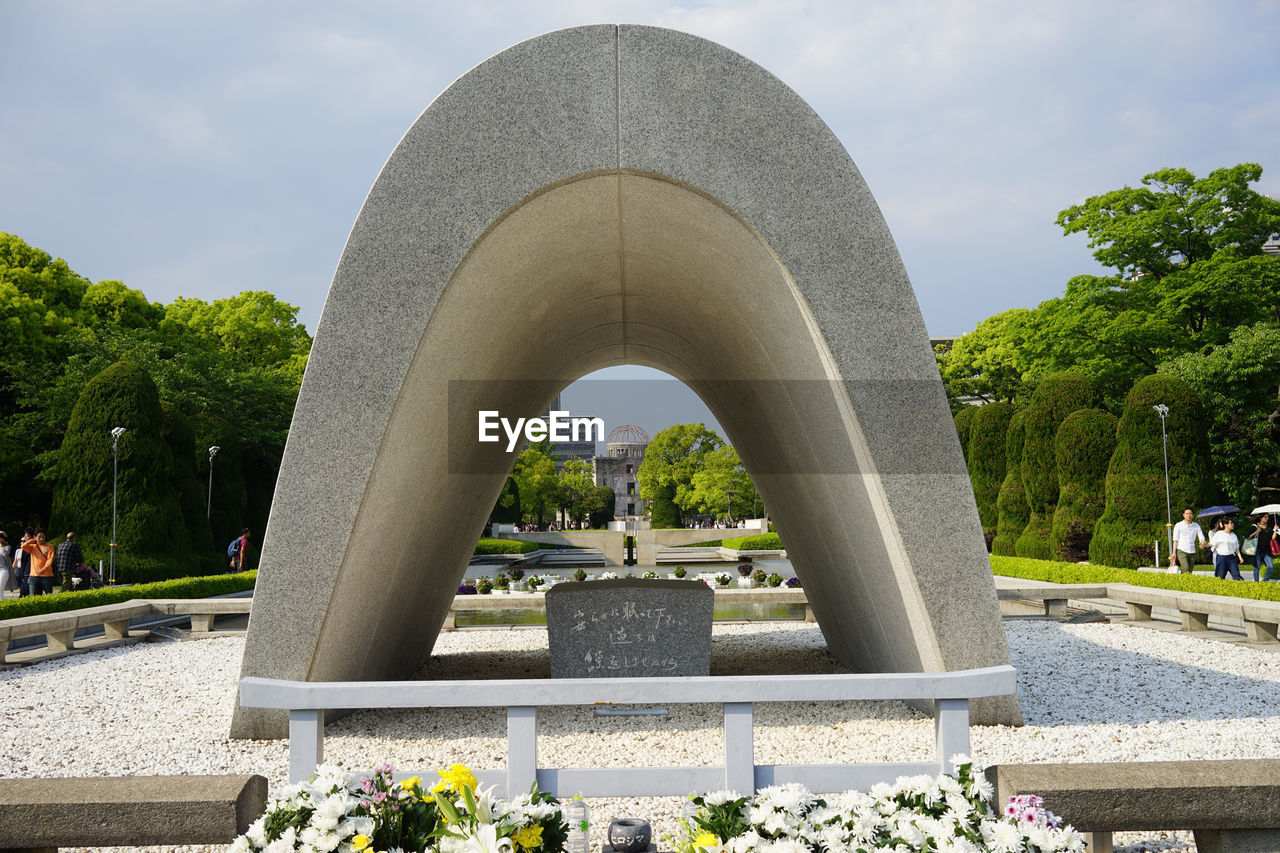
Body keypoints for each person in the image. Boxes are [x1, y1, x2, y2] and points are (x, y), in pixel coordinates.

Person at [21, 528, 57, 596]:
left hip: (47, 576)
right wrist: (33, 540)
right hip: (34, 576)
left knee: (49, 596)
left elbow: (50, 559)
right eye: (39, 537)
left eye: (43, 537)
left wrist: (44, 569)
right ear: (35, 536)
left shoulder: (49, 546)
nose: (41, 539)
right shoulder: (33, 547)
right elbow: (23, 546)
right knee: (33, 597)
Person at [1170, 508, 1207, 573]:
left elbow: (1202, 537)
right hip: (1181, 550)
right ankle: (1183, 582)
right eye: (1187, 513)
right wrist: (1174, 553)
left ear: (1193, 515)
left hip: (1192, 551)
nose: (1188, 515)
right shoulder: (1178, 525)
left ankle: (1185, 582)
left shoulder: (1196, 526)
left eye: (1190, 514)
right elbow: (1175, 540)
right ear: (1183, 515)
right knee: (1185, 568)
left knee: (1189, 570)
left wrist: (1203, 542)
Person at [1249, 513, 1275, 582]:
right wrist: (1256, 532)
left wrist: (1275, 530)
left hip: (1266, 549)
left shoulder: (1269, 527)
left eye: (1268, 517)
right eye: (1265, 517)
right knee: (1257, 567)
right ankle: (1256, 583)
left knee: (1270, 566)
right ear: (1261, 518)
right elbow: (1248, 537)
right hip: (1257, 549)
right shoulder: (1254, 526)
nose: (1267, 518)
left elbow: (1272, 538)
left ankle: (1265, 581)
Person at [13, 527, 33, 597]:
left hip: (33, 572)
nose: (24, 541)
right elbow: (22, 562)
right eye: (22, 540)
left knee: (27, 591)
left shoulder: (35, 546)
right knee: (24, 590)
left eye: (26, 537)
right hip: (23, 571)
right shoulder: (21, 549)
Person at [0, 531, 12, 597]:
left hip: (3, 570)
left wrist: (1, 545)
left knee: (0, 590)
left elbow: (5, 554)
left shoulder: (7, 547)